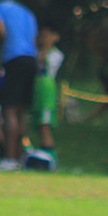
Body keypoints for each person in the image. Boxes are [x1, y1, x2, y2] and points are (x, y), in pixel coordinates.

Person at [0, 0, 38, 171]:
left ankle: (8, 158)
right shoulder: (27, 12)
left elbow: (0, 33)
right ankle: (19, 156)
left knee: (8, 109)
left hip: (13, 61)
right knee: (20, 111)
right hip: (31, 60)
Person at [32, 24, 64, 161]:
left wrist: (46, 46)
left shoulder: (56, 54)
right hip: (36, 90)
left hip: (47, 91)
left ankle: (51, 154)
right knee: (38, 124)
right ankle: (42, 153)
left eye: (46, 36)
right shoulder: (35, 51)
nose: (42, 39)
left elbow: (43, 61)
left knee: (44, 124)